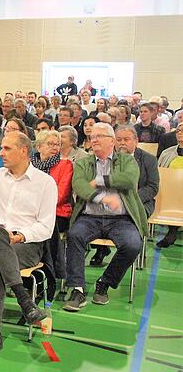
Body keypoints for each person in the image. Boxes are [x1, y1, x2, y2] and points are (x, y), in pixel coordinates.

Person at [0, 131, 56, 359]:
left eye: (6, 149)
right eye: (1, 148)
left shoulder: (45, 183)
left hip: (26, 244)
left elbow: (46, 227)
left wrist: (21, 235)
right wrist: (3, 231)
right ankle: (24, 299)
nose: (0, 153)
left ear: (24, 151)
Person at [63, 123, 147, 312]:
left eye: (99, 136)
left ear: (112, 141)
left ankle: (105, 282)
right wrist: (103, 198)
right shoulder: (84, 162)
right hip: (89, 217)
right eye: (92, 137)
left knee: (133, 244)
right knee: (75, 235)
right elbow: (80, 185)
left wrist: (101, 180)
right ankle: (77, 289)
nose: (94, 140)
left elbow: (129, 180)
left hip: (121, 219)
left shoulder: (126, 160)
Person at [89, 125, 158, 264]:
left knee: (132, 218)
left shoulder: (148, 160)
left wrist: (130, 200)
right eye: (119, 139)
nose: (122, 143)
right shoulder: (105, 157)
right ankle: (100, 248)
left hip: (140, 201)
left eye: (126, 139)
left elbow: (152, 187)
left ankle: (131, 248)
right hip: (108, 201)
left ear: (136, 141)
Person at [31, 130, 73, 299]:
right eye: (51, 144)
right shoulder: (29, 164)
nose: (55, 147)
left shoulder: (65, 165)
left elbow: (60, 194)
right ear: (39, 146)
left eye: (58, 144)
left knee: (47, 226)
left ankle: (49, 275)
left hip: (57, 212)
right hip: (31, 212)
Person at [155, 124, 183, 248]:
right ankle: (172, 231)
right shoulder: (167, 153)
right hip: (170, 192)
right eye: (178, 130)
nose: (180, 132)